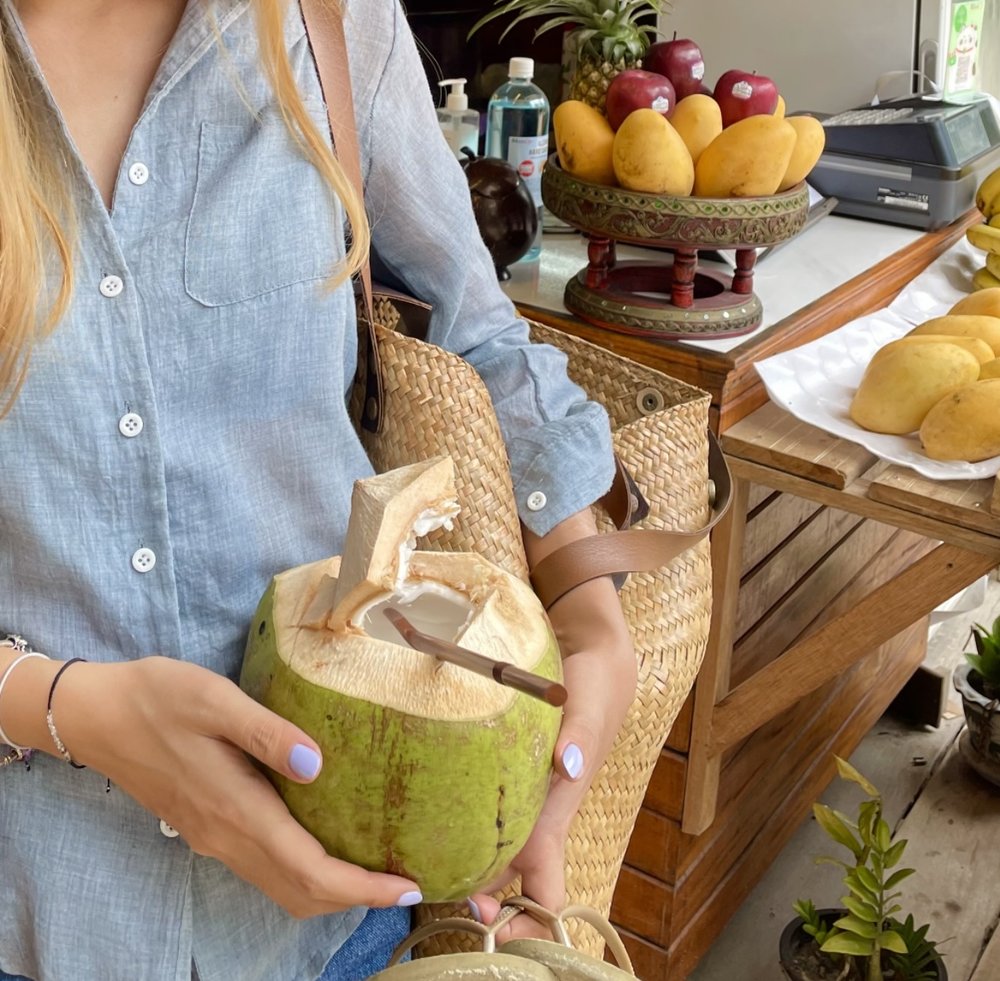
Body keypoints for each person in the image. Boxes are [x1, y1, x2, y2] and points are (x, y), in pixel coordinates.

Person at [0, 0, 638, 979]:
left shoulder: (327, 21)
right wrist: (65, 710)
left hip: (346, 921)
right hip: (35, 912)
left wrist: (590, 606)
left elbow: (482, 340)